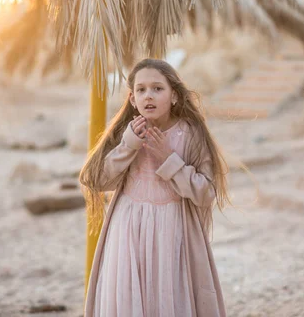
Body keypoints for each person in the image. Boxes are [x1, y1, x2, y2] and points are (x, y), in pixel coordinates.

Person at [80, 58, 229, 317]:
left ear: (173, 96)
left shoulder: (190, 133)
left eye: (157, 88)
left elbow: (206, 193)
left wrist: (168, 159)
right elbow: (96, 180)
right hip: (127, 231)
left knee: (169, 297)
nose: (149, 95)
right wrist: (128, 146)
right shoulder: (126, 133)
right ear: (132, 99)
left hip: (172, 230)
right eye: (141, 90)